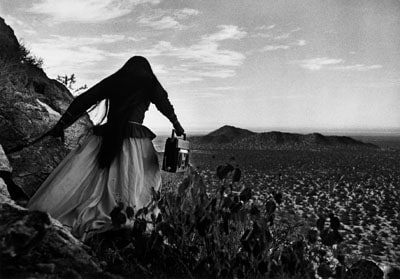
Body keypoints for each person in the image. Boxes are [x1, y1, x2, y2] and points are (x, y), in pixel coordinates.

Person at [28, 56, 184, 241]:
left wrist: (62, 124)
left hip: (106, 136)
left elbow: (84, 100)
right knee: (136, 181)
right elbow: (164, 104)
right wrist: (177, 125)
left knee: (90, 177)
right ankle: (127, 217)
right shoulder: (149, 82)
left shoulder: (115, 80)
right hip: (135, 141)